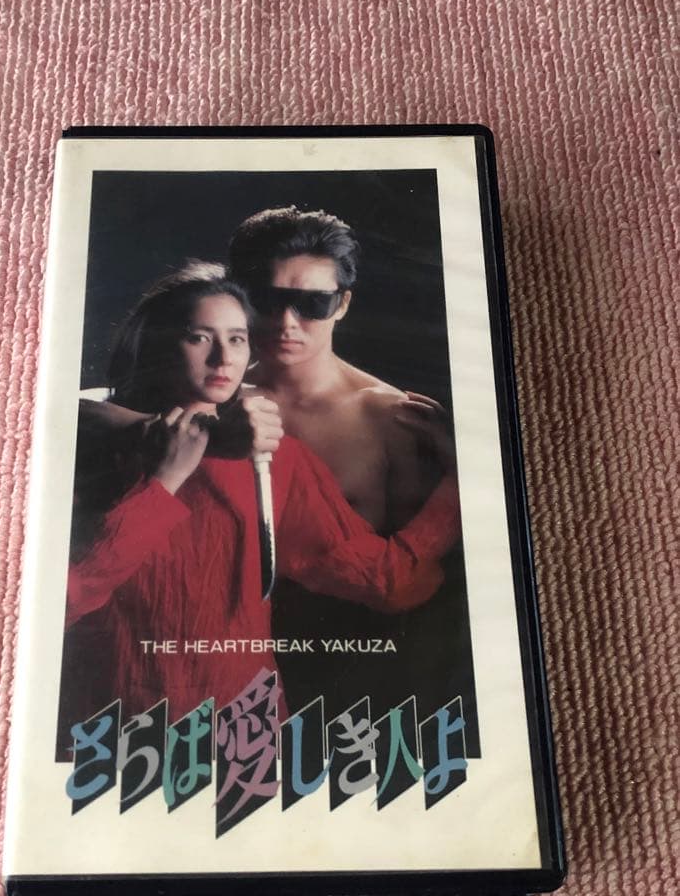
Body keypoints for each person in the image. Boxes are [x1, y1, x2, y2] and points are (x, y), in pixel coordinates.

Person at [58, 262, 460, 755]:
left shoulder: (276, 460)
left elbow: (388, 582)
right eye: (198, 337)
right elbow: (62, 600)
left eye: (238, 339)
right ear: (157, 343)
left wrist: (458, 483)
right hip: (106, 730)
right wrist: (166, 480)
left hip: (243, 736)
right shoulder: (93, 442)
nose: (223, 358)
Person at [228, 207, 477, 737]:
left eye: (311, 304)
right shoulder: (215, 400)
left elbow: (416, 583)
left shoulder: (387, 417)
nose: (286, 323)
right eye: (268, 299)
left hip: (354, 677)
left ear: (342, 304)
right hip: (225, 660)